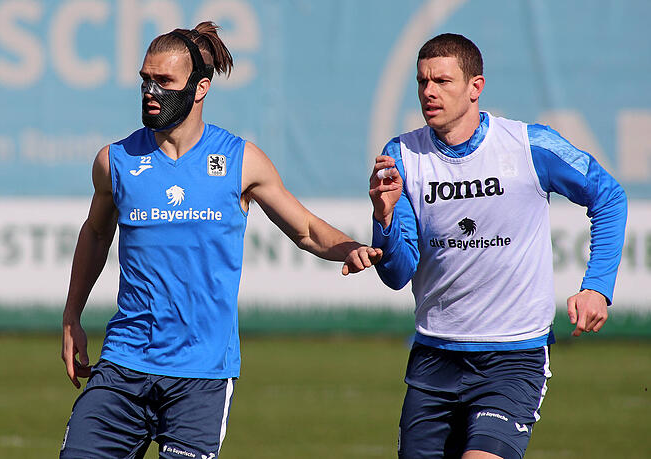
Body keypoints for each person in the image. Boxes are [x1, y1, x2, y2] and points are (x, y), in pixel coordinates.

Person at [59, 22, 381, 458]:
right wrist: (72, 316)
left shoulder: (239, 160)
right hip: (123, 364)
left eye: (164, 81)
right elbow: (96, 233)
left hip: (203, 374)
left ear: (199, 88)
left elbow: (305, 229)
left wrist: (350, 248)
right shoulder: (115, 160)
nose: (150, 91)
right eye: (144, 80)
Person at [369, 33, 627, 459]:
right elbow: (397, 274)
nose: (428, 91)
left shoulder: (529, 145)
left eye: (442, 81)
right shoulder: (401, 156)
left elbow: (609, 196)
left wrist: (597, 286)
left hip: (514, 357)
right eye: (421, 81)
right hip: (435, 357)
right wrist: (384, 217)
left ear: (476, 87)